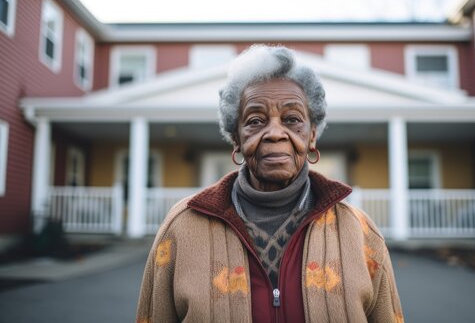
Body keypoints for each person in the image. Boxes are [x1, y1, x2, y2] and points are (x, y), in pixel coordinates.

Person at [136, 45, 404, 322]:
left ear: (312, 135)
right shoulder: (181, 226)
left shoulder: (359, 231)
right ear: (236, 139)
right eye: (255, 121)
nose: (275, 133)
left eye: (292, 119)